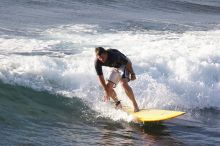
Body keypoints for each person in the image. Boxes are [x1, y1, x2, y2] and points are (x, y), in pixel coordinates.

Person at [94, 47, 139, 112]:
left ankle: (135, 105)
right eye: (99, 58)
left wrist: (132, 74)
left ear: (106, 53)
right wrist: (106, 90)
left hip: (124, 64)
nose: (101, 59)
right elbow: (100, 76)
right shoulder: (97, 62)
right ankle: (118, 104)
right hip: (115, 67)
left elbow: (127, 63)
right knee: (108, 87)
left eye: (102, 57)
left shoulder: (114, 56)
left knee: (124, 84)